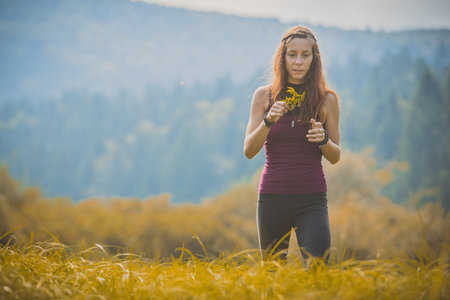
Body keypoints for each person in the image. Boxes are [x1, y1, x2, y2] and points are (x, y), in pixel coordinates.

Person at [244, 25, 340, 262]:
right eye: (292, 55)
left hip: (312, 199)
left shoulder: (327, 99)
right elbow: (249, 151)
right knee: (273, 276)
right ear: (282, 58)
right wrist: (268, 121)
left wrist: (324, 140)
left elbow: (335, 155)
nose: (298, 61)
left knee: (318, 271)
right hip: (272, 198)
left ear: (313, 59)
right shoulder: (264, 96)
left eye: (305, 55)